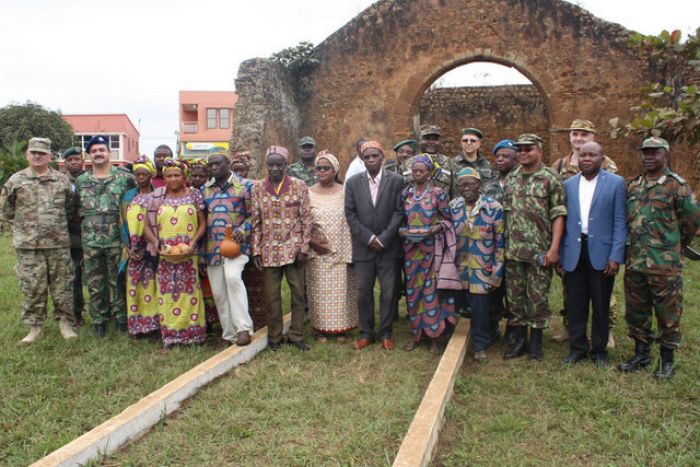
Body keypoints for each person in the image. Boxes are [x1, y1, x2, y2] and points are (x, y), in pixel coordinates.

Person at [618, 137, 699, 379]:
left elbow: (692, 221)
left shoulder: (677, 186)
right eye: (645, 153)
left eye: (654, 153)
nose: (648, 157)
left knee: (668, 314)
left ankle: (667, 360)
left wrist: (674, 245)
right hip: (636, 262)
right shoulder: (634, 185)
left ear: (665, 155)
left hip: (664, 264)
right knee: (637, 311)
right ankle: (641, 354)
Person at [0, 137, 77, 343]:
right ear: (27, 154)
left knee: (62, 286)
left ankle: (65, 324)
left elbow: (70, 209)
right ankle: (35, 327)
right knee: (32, 286)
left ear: (50, 156)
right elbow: (6, 210)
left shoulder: (62, 180)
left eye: (42, 153)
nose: (37, 156)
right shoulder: (15, 181)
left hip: (58, 244)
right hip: (28, 245)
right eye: (33, 152)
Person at [550, 119, 619, 346]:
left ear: (593, 138)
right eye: (575, 134)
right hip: (572, 239)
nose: (578, 138)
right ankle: (574, 332)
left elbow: (613, 208)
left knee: (602, 295)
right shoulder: (560, 165)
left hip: (599, 239)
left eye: (584, 134)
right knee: (572, 292)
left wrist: (615, 252)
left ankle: (605, 332)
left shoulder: (608, 167)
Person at [559, 142, 627, 368]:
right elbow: (562, 221)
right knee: (576, 303)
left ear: (602, 158)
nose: (586, 159)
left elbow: (619, 221)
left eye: (592, 155)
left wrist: (616, 255)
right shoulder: (568, 184)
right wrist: (560, 253)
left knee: (600, 303)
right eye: (583, 155)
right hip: (574, 251)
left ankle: (599, 351)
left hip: (602, 252)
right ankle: (578, 348)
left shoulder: (616, 183)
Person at [502, 134, 566, 361]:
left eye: (528, 149)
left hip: (539, 251)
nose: (523, 153)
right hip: (513, 250)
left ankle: (536, 342)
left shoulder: (550, 178)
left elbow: (558, 214)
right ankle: (519, 340)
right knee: (515, 298)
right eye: (519, 149)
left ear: (539, 150)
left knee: (537, 298)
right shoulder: (512, 178)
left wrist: (554, 249)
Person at [251, 146, 312, 351]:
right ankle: (274, 337)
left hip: (294, 248)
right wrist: (256, 250)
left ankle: (296, 335)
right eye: (271, 165)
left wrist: (304, 246)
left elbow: (306, 217)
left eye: (279, 164)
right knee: (271, 296)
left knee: (298, 294)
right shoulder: (258, 188)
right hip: (269, 249)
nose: (275, 168)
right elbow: (256, 221)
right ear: (266, 166)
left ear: (286, 165)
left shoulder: (299, 186)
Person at [345, 141, 404, 350]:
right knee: (363, 291)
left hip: (388, 247)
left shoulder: (396, 181)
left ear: (382, 157)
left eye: (375, 156)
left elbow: (399, 211)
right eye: (367, 157)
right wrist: (369, 238)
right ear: (362, 159)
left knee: (388, 292)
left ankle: (386, 333)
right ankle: (366, 333)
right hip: (364, 247)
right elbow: (350, 214)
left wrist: (384, 238)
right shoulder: (352, 183)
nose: (371, 160)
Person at [76, 135, 136, 337]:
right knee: (94, 282)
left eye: (101, 150)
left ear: (109, 153)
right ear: (89, 155)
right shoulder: (82, 180)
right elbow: (74, 209)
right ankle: (99, 320)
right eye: (94, 151)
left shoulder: (125, 177)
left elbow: (134, 204)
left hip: (117, 239)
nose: (98, 153)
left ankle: (121, 318)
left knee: (117, 280)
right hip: (91, 241)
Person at [145, 158, 207, 349]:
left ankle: (192, 335)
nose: (173, 179)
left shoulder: (195, 195)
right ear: (164, 177)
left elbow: (203, 223)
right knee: (166, 294)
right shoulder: (157, 197)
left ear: (184, 176)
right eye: (169, 175)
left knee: (190, 293)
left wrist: (193, 243)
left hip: (188, 254)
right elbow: (147, 226)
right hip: (166, 255)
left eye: (177, 175)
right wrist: (156, 243)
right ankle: (170, 336)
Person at [400, 155, 456, 353]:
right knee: (413, 293)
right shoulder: (406, 194)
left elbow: (448, 219)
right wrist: (402, 230)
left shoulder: (438, 193)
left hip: (432, 249)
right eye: (414, 171)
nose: (417, 174)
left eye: (421, 171)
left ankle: (435, 337)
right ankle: (416, 334)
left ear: (429, 173)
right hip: (411, 250)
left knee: (431, 293)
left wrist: (435, 228)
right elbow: (402, 219)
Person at [450, 167, 505, 362]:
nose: (466, 188)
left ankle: (480, 345)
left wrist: (496, 273)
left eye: (470, 184)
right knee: (459, 306)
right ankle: (453, 339)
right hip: (459, 270)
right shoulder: (453, 206)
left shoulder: (494, 208)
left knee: (481, 309)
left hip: (483, 269)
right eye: (461, 185)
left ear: (479, 185)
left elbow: (500, 244)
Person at [202, 152, 255, 346]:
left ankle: (243, 328)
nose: (214, 168)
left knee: (233, 279)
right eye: (211, 165)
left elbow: (253, 215)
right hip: (212, 248)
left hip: (236, 247)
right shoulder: (205, 190)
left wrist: (243, 230)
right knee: (219, 292)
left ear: (228, 165)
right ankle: (229, 334)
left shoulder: (245, 186)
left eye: (218, 164)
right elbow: (201, 221)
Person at [306, 151, 358, 342]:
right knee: (318, 290)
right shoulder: (308, 192)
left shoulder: (346, 191)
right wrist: (313, 242)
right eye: (318, 168)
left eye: (326, 168)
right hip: (317, 249)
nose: (321, 171)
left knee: (342, 290)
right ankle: (320, 328)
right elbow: (302, 221)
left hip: (342, 248)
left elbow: (353, 217)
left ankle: (341, 328)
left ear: (335, 170)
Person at [120, 156, 159, 338]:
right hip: (132, 249)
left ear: (151, 175)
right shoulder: (129, 196)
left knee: (151, 286)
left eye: (144, 174)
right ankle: (136, 327)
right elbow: (121, 222)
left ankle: (152, 326)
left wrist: (149, 246)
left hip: (151, 249)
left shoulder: (158, 195)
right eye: (138, 174)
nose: (141, 177)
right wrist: (128, 249)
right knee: (134, 287)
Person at [232, 151, 267, 330]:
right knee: (240, 282)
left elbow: (258, 214)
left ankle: (260, 321)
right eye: (235, 170)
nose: (239, 174)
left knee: (258, 282)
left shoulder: (255, 186)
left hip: (256, 240)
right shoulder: (231, 187)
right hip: (236, 244)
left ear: (248, 169)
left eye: (242, 170)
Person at [491, 139, 517, 343]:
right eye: (497, 156)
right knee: (493, 289)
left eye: (505, 156)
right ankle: (493, 328)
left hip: (517, 244)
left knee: (514, 290)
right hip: (492, 247)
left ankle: (514, 332)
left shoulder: (521, 181)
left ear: (515, 158)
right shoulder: (489, 184)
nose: (500, 159)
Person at [62, 146, 86, 327]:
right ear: (65, 164)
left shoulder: (90, 179)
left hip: (95, 236)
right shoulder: (60, 182)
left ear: (83, 161)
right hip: (72, 237)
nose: (74, 162)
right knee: (74, 277)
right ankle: (77, 314)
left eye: (77, 159)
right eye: (70, 160)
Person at [399, 125, 456, 198]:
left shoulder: (450, 164)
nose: (431, 142)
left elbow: (455, 196)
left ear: (440, 141)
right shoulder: (406, 164)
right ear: (419, 140)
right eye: (427, 138)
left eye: (435, 139)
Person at [452, 128, 502, 202]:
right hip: (458, 210)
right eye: (465, 140)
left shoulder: (488, 166)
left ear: (479, 144)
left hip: (483, 209)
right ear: (461, 143)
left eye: (473, 140)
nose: (468, 143)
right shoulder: (451, 165)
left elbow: (494, 192)